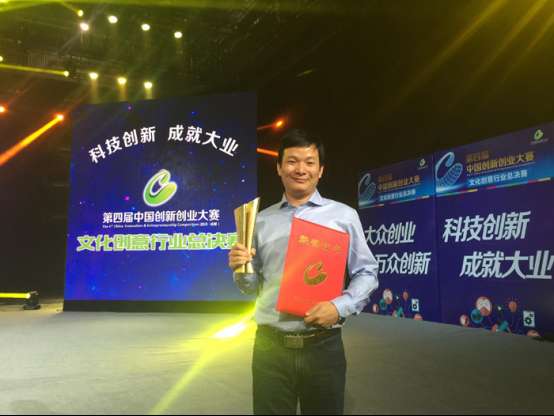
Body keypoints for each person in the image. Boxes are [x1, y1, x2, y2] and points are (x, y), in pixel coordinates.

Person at [228, 129, 378, 415]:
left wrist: (339, 307)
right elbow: (251, 287)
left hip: (323, 346)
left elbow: (367, 272)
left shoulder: (343, 216)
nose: (300, 169)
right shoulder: (261, 221)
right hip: (270, 348)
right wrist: (241, 268)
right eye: (292, 161)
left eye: (309, 162)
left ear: (320, 170)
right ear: (279, 167)